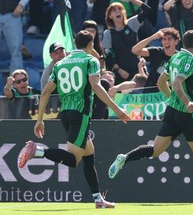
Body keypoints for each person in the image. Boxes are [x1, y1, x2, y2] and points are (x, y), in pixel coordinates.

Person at [107, 30, 193, 203]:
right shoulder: (188, 59)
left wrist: (171, 99)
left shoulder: (175, 57)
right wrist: (186, 102)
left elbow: (160, 82)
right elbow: (176, 82)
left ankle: (125, 157)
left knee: (155, 150)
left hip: (172, 111)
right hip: (187, 113)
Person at [17, 30, 131, 209]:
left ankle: (98, 199)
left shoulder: (60, 64)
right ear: (91, 45)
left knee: (89, 155)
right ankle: (37, 151)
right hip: (81, 113)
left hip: (66, 113)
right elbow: (96, 86)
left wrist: (39, 119)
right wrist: (116, 109)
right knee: (72, 160)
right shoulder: (90, 61)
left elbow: (46, 91)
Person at [102, 0, 151, 84]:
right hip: (121, 73)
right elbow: (108, 56)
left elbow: (147, 10)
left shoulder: (132, 24)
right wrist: (119, 70)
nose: (118, 12)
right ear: (110, 16)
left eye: (120, 9)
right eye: (114, 11)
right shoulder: (108, 33)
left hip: (138, 70)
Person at [131, 27, 180, 93]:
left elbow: (184, 79)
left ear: (176, 41)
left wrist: (169, 84)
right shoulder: (157, 51)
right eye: (164, 39)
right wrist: (153, 37)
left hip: (169, 95)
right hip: (150, 95)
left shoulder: (180, 57)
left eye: (169, 39)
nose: (166, 42)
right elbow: (135, 50)